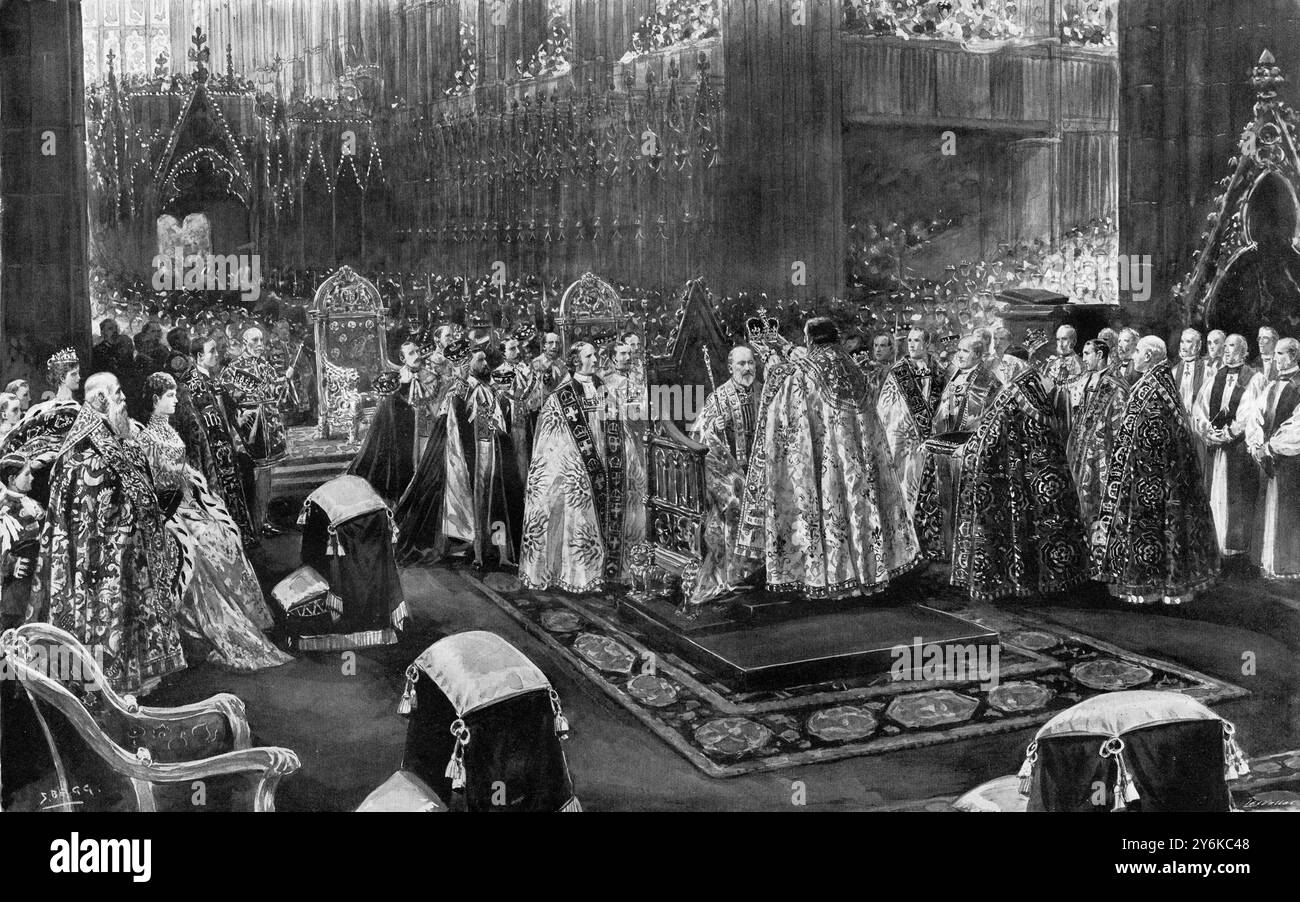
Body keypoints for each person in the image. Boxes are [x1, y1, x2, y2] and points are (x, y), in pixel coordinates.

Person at [734, 318, 920, 600]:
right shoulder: (853, 370)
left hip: (825, 467)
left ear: (811, 340)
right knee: (857, 510)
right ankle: (865, 576)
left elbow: (785, 413)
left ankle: (828, 579)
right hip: (858, 467)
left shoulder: (803, 373)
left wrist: (774, 366)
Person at [30, 373, 188, 695]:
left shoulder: (114, 436)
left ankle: (135, 675)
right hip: (101, 556)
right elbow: (93, 507)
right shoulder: (80, 454)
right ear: (101, 400)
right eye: (118, 394)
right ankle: (104, 682)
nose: (125, 400)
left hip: (127, 546)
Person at [136, 373, 291, 672]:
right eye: (170, 396)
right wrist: (183, 494)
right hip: (170, 511)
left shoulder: (169, 431)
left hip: (189, 503)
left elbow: (185, 471)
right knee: (208, 541)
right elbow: (155, 485)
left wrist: (196, 487)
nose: (176, 400)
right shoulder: (147, 438)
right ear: (155, 401)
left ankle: (250, 614)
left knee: (226, 533)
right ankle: (211, 625)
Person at [1094, 337, 1219, 604]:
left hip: (1151, 475)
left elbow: (1154, 432)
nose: (1134, 355)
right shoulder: (1158, 381)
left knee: (1154, 529)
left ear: (1149, 356)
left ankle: (1150, 588)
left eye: (1138, 351)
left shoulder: (1153, 386)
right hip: (1155, 473)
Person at [951, 368, 1089, 601]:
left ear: (1017, 365)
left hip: (1018, 473)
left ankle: (1017, 582)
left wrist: (967, 449)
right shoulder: (1036, 389)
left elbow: (989, 434)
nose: (1002, 367)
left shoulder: (1014, 392)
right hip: (1041, 476)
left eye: (1007, 363)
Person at [518, 342, 645, 593]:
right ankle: (581, 575)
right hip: (575, 468)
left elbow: (620, 425)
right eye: (590, 356)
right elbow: (551, 439)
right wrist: (578, 463)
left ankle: (615, 571)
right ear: (577, 361)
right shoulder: (561, 396)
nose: (596, 359)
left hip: (608, 465)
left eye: (596, 355)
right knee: (580, 501)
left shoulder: (603, 388)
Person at [396, 351, 523, 571]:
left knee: (497, 504)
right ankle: (478, 552)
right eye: (480, 360)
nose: (484, 364)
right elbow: (453, 421)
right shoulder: (461, 389)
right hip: (471, 456)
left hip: (493, 451)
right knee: (477, 503)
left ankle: (500, 551)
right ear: (468, 364)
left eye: (485, 360)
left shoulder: (491, 388)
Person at [688, 346, 763, 603]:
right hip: (728, 470)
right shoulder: (718, 397)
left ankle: (770, 573)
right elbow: (698, 436)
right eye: (741, 364)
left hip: (763, 468)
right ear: (731, 367)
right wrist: (714, 428)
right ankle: (737, 575)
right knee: (736, 501)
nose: (747, 368)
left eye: (751, 363)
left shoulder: (764, 392)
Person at [916, 333, 1002, 555]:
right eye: (958, 351)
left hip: (969, 450)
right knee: (944, 499)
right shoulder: (954, 376)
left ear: (978, 354)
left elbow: (989, 419)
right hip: (946, 446)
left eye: (964, 351)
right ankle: (946, 548)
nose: (959, 355)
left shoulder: (988, 381)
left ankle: (968, 549)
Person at [877, 328, 947, 551]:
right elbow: (885, 409)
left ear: (927, 342)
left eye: (917, 340)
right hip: (902, 442)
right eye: (909, 341)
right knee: (903, 490)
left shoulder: (940, 372)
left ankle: (929, 545)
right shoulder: (898, 372)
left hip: (930, 444)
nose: (912, 345)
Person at [220, 326, 291, 537]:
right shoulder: (232, 370)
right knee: (250, 477)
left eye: (261, 340)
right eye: (254, 341)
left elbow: (276, 394)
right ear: (244, 343)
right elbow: (235, 398)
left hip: (268, 430)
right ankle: (252, 523)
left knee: (266, 474)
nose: (259, 345)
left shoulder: (265, 366)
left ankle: (263, 519)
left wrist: (284, 381)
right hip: (248, 432)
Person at [1192, 334, 1258, 560]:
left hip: (1236, 449)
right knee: (1213, 492)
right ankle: (1215, 541)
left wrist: (1228, 434)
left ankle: (1235, 545)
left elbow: (1250, 413)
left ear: (1244, 350)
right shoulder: (1215, 376)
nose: (1227, 351)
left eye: (1232, 346)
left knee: (1236, 493)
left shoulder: (1253, 378)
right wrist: (1206, 430)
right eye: (1226, 347)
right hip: (1215, 446)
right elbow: (1199, 406)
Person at [184, 336, 256, 542]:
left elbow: (227, 411)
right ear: (199, 356)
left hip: (226, 445)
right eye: (212, 351)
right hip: (211, 452)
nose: (217, 355)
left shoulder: (212, 378)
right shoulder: (193, 383)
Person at [348, 340, 439, 503]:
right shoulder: (396, 380)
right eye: (411, 353)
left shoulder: (430, 376)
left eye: (417, 351)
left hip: (426, 433)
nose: (417, 356)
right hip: (402, 438)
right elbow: (387, 415)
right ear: (403, 359)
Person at [1244, 337, 1300, 579]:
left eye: (1281, 353)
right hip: (1267, 456)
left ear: (1294, 356)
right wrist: (1256, 444)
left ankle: (1286, 565)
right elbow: (1255, 416)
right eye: (1275, 353)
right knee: (1266, 507)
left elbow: (1297, 427)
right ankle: (1266, 562)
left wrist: (1270, 447)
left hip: (1289, 459)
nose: (1276, 358)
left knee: (1287, 511)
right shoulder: (1271, 385)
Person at [1065, 339, 1129, 532]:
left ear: (1099, 355)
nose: (1083, 359)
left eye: (1086, 354)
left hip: (1104, 453)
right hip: (1083, 450)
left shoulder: (1115, 384)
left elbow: (1120, 425)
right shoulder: (1091, 378)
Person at [0, 453, 46, 630]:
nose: (32, 478)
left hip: (37, 578)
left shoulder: (33, 505)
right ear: (12, 479)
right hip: (14, 589)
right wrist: (12, 564)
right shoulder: (4, 507)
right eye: (27, 474)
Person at [492, 336, 545, 489]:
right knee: (518, 457)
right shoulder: (500, 373)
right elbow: (518, 396)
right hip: (511, 421)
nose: (517, 351)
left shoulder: (522, 368)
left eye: (517, 348)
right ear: (503, 353)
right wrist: (534, 378)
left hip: (527, 418)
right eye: (512, 349)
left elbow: (534, 395)